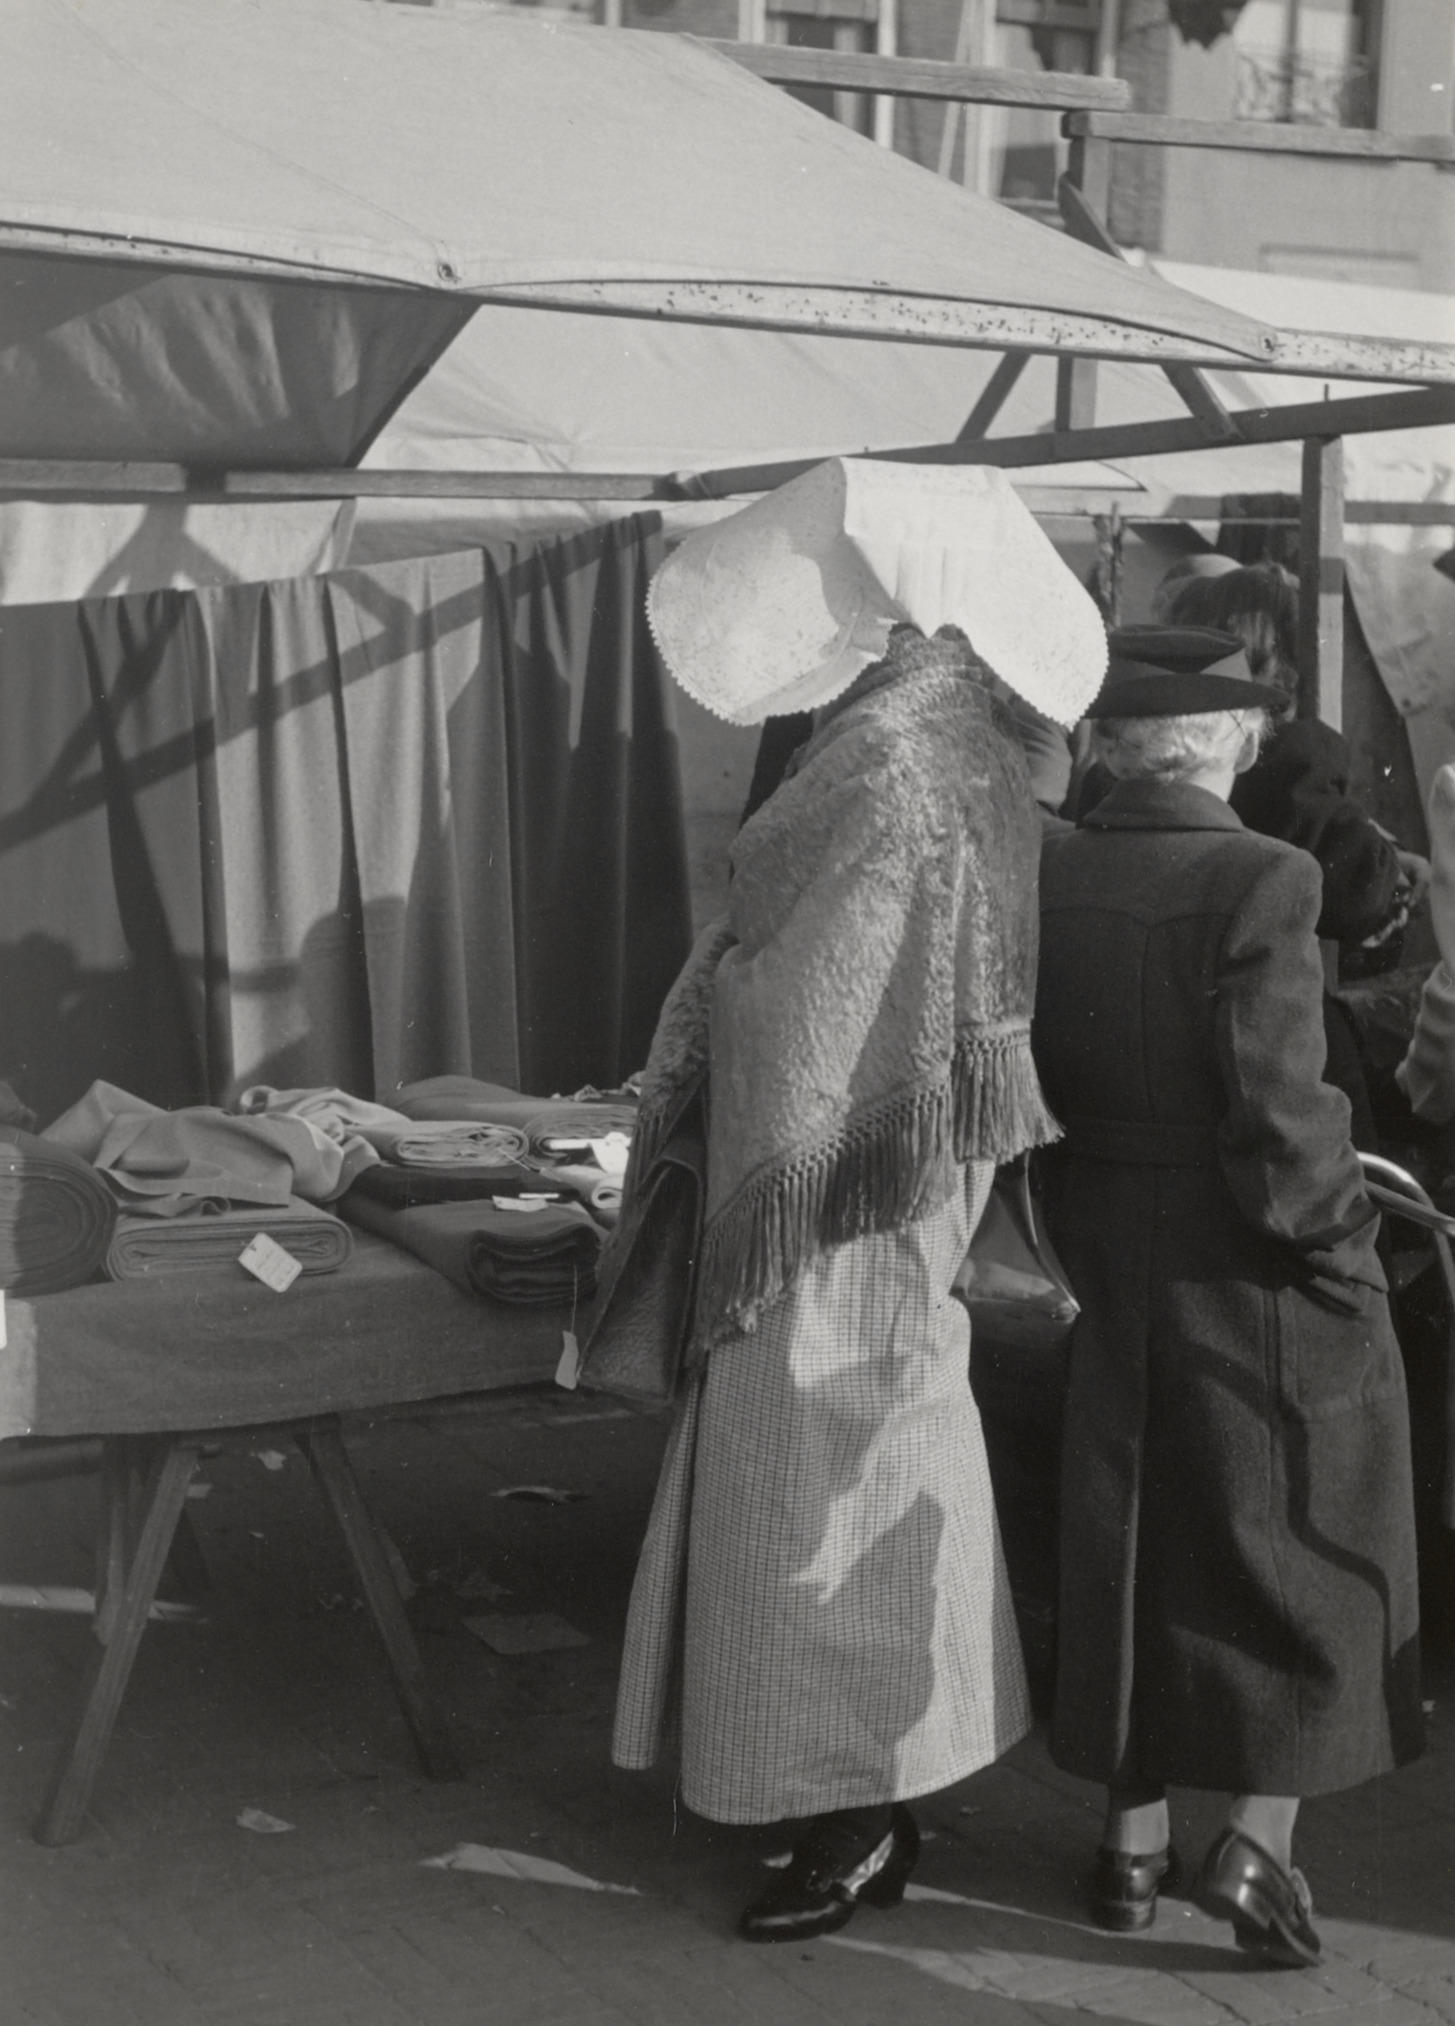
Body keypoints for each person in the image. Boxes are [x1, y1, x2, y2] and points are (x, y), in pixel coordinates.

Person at [593, 456, 1109, 1942]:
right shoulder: (964, 735)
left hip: (836, 1177)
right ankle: (852, 1777)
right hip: (891, 1168)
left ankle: (853, 1806)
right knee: (860, 1454)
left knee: (815, 1463)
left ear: (899, 590)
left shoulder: (895, 751)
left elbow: (815, 979)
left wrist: (721, 982)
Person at [1033, 640, 1424, 1967]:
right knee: (1316, 1534)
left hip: (1108, 1244)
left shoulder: (1053, 865)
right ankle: (1259, 1838)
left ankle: (1129, 1846)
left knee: (1130, 1535)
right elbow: (1282, 1116)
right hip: (1252, 1257)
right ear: (1221, 741)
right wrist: (1348, 1245)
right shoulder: (1264, 876)